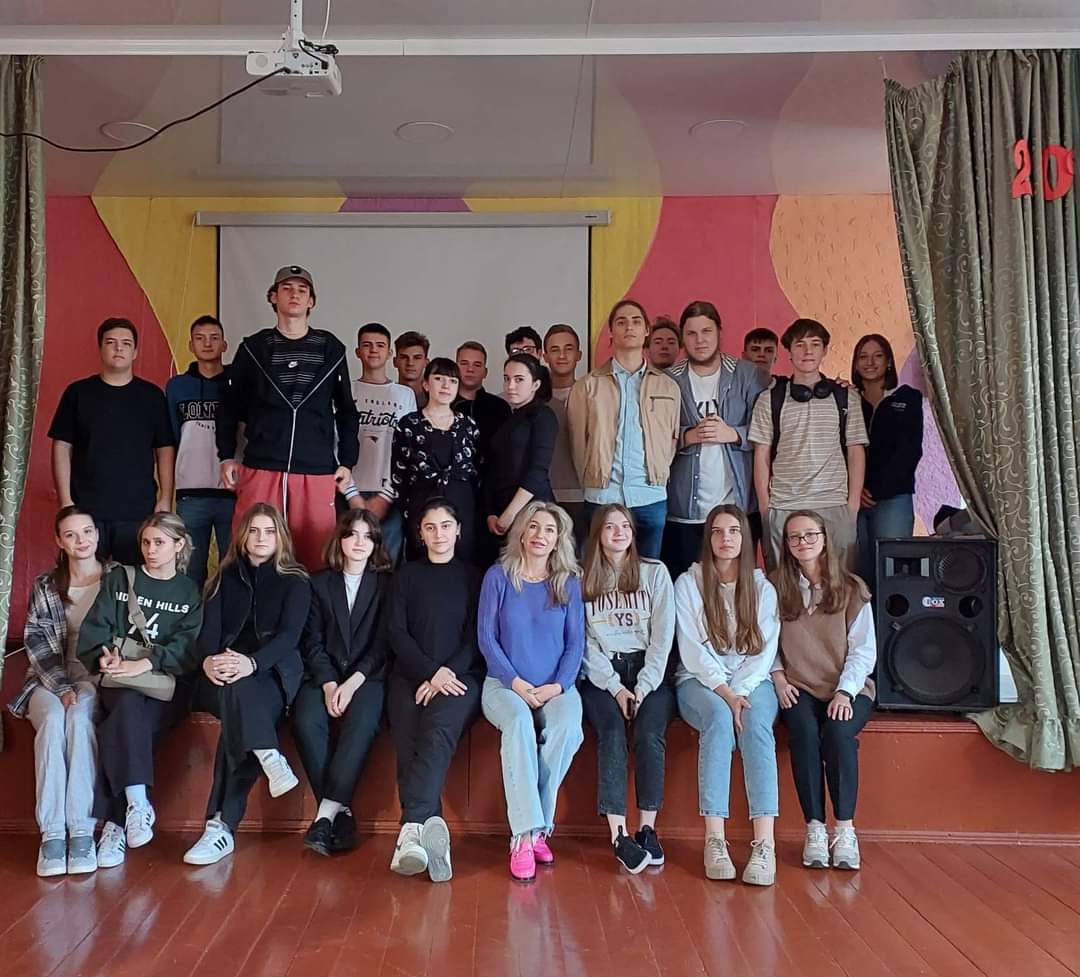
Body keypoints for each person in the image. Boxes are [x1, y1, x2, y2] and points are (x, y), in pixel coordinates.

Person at [184, 504, 311, 865]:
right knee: (238, 694)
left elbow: (289, 637)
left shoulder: (296, 581)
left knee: (240, 710)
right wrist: (209, 661)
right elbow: (207, 636)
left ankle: (219, 825)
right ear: (242, 537)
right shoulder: (222, 579)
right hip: (219, 675)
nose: (261, 538)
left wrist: (251, 663)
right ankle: (269, 756)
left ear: (280, 537)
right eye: (254, 531)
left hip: (271, 674)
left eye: (269, 531)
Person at [77, 512, 202, 869]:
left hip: (164, 682)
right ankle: (137, 805)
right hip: (119, 678)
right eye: (146, 542)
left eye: (159, 542)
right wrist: (104, 657)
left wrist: (145, 664)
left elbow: (188, 647)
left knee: (125, 723)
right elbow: (97, 626)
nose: (151, 549)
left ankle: (115, 824)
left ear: (178, 545)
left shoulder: (189, 591)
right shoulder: (121, 578)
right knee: (128, 706)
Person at [216, 265, 359, 570]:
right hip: (262, 466)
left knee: (317, 557)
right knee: (251, 554)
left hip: (316, 469)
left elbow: (346, 410)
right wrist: (226, 455)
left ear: (311, 301)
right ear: (273, 297)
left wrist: (348, 461)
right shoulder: (254, 348)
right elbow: (229, 405)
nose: (295, 295)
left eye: (302, 290)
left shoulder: (331, 349)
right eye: (287, 289)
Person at [674, 505, 781, 885]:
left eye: (733, 531)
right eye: (717, 531)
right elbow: (692, 649)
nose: (725, 539)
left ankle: (764, 844)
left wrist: (739, 692)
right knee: (720, 720)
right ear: (708, 538)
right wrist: (725, 693)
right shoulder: (688, 584)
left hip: (753, 680)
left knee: (754, 722)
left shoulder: (762, 588)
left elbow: (764, 652)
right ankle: (715, 840)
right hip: (700, 681)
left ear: (745, 538)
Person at [479, 502, 585, 882]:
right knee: (520, 725)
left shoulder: (568, 583)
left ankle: (538, 827)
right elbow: (486, 638)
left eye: (550, 530)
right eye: (534, 527)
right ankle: (524, 837)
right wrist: (516, 682)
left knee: (568, 728)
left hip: (556, 686)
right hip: (504, 685)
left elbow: (576, 644)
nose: (541, 535)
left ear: (558, 540)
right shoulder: (498, 577)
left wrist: (558, 685)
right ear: (522, 533)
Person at [771, 510, 876, 871]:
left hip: (847, 687)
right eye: (794, 537)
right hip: (798, 685)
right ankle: (814, 828)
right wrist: (778, 678)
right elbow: (764, 643)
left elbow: (864, 651)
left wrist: (845, 692)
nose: (803, 542)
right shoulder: (774, 588)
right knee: (803, 732)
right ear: (786, 544)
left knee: (838, 733)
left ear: (825, 539)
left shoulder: (851, 589)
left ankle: (844, 830)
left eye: (810, 534)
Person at [387, 499, 484, 882]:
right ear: (420, 534)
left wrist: (444, 675)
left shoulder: (475, 577)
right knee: (408, 744)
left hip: (461, 678)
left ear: (458, 530)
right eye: (430, 527)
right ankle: (432, 840)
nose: (438, 533)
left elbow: (477, 637)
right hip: (410, 676)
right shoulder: (405, 576)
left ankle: (410, 829)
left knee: (437, 731)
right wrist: (429, 673)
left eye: (445, 525)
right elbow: (396, 632)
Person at [579, 504, 676, 874]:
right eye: (610, 526)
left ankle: (647, 829)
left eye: (625, 526)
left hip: (650, 672)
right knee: (612, 733)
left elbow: (662, 638)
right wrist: (616, 688)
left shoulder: (655, 573)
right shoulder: (581, 577)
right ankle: (619, 835)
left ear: (634, 534)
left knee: (650, 733)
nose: (619, 532)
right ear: (598, 534)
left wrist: (645, 686)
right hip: (604, 675)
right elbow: (584, 642)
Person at [9, 508, 106, 877]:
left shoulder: (116, 579)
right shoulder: (47, 584)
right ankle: (51, 833)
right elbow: (36, 642)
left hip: (96, 678)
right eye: (71, 535)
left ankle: (81, 829)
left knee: (79, 719)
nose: (81, 540)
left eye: (87, 531)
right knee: (52, 719)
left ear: (97, 534)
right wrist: (62, 687)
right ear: (59, 542)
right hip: (48, 678)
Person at [292, 510, 391, 856]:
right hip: (323, 676)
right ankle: (340, 812)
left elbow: (383, 643)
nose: (359, 542)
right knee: (305, 720)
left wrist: (352, 683)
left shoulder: (387, 585)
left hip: (368, 677)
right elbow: (311, 642)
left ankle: (323, 817)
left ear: (376, 543)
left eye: (368, 536)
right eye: (352, 535)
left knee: (362, 723)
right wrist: (330, 683)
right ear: (341, 540)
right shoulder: (317, 583)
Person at [49, 317, 175, 565]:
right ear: (100, 348)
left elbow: (164, 449)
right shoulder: (78, 393)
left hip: (137, 510)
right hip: (86, 510)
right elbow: (61, 447)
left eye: (126, 343)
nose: (119, 348)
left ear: (135, 352)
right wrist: (66, 501)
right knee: (83, 579)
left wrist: (165, 497)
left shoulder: (152, 396)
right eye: (111, 342)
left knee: (132, 580)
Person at [749, 318, 868, 571]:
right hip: (784, 505)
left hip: (834, 504)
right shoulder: (769, 400)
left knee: (840, 582)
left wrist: (852, 505)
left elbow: (856, 451)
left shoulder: (846, 397)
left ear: (825, 350)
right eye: (800, 344)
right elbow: (761, 455)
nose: (808, 351)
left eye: (815, 344)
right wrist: (765, 507)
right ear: (789, 352)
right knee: (783, 582)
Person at [567, 299, 680, 560]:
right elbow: (578, 443)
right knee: (598, 571)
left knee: (648, 571)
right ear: (611, 332)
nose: (629, 327)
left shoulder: (668, 387)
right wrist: (593, 477)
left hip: (650, 495)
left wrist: (658, 472)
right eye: (621, 322)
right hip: (602, 495)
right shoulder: (587, 386)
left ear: (647, 331)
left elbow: (671, 439)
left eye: (636, 321)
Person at [664, 301, 768, 579]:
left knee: (737, 583)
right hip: (685, 509)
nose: (700, 340)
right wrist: (686, 436)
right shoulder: (668, 379)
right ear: (682, 338)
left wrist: (733, 434)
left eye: (706, 331)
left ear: (720, 332)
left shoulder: (747, 374)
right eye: (692, 333)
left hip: (738, 505)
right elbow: (653, 437)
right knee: (688, 584)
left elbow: (769, 429)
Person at [166, 315, 235, 589]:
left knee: (233, 570)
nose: (207, 344)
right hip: (190, 495)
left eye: (214, 338)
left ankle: (227, 619)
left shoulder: (238, 385)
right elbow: (171, 439)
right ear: (190, 345)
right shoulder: (176, 387)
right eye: (200, 338)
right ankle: (192, 618)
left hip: (233, 493)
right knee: (189, 571)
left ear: (224, 345)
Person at [851, 334, 924, 589]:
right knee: (857, 572)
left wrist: (876, 490)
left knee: (893, 572)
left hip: (894, 498)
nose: (870, 362)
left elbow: (909, 451)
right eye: (863, 357)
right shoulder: (846, 399)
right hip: (853, 499)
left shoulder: (908, 398)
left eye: (878, 356)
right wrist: (856, 489)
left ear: (889, 361)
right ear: (856, 364)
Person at [391, 358, 481, 563]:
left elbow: (477, 471)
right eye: (439, 379)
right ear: (425, 384)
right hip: (421, 503)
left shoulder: (468, 425)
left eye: (453, 381)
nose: (446, 385)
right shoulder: (409, 424)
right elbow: (399, 475)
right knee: (422, 561)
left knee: (463, 562)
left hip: (462, 503)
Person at [347, 322, 417, 564]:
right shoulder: (346, 391)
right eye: (367, 345)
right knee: (350, 561)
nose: (373, 350)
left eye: (380, 345)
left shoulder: (404, 395)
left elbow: (409, 451)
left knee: (387, 564)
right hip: (350, 492)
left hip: (390, 495)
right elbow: (334, 445)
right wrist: (352, 494)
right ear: (358, 352)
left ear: (389, 353)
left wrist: (386, 496)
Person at [483, 354, 558, 548]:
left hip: (531, 511)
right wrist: (491, 512)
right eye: (506, 378)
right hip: (500, 511)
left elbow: (538, 470)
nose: (510, 386)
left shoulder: (543, 416)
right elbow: (493, 467)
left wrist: (510, 514)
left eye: (519, 380)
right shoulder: (507, 418)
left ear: (535, 384)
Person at [542, 324, 586, 544]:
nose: (562, 355)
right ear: (544, 356)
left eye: (568, 349)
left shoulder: (592, 395)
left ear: (579, 354)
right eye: (555, 349)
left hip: (584, 496)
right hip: (542, 496)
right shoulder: (534, 399)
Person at [453, 340, 511, 462]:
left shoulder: (499, 408)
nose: (470, 369)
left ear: (485, 372)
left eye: (477, 365)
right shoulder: (443, 405)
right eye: (464, 363)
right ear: (455, 368)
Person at [394, 330, 430, 404]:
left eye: (417, 358)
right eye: (404, 357)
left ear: (426, 363)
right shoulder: (384, 397)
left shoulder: (436, 400)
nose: (410, 363)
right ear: (395, 362)